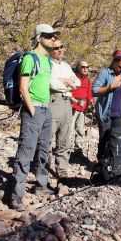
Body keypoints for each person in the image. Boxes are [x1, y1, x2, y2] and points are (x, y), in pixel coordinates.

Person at [10, 23, 59, 211]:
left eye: (54, 36)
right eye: (49, 36)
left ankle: (41, 185)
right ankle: (16, 196)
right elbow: (23, 86)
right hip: (34, 110)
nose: (53, 39)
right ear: (39, 38)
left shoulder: (47, 60)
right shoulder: (30, 58)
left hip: (46, 110)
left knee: (44, 149)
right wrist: (31, 109)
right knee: (26, 151)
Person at [49, 40, 80, 178]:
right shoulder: (47, 64)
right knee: (48, 138)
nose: (60, 50)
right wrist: (67, 83)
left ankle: (62, 169)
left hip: (67, 103)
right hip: (54, 101)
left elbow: (77, 82)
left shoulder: (66, 66)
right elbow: (52, 84)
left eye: (62, 47)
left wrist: (66, 81)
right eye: (56, 48)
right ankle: (44, 167)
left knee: (64, 138)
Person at [70, 60, 94, 153]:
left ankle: (78, 149)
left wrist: (91, 102)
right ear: (78, 68)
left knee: (80, 129)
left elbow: (89, 93)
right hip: (73, 106)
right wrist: (75, 101)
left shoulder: (87, 80)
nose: (85, 69)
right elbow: (68, 92)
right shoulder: (73, 78)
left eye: (87, 67)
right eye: (83, 67)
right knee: (70, 129)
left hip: (83, 108)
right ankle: (66, 149)